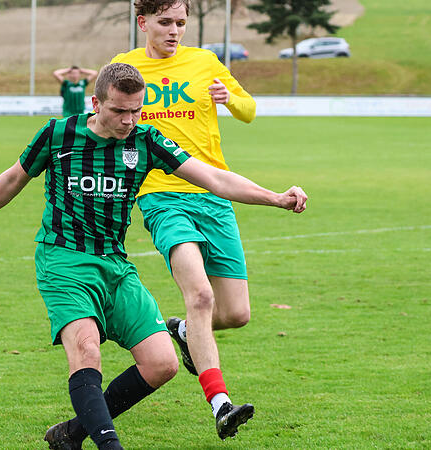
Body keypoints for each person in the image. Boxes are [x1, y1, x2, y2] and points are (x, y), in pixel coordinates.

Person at [0, 63, 307, 450]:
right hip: (64, 260)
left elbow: (214, 177)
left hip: (116, 265)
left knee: (163, 363)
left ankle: (71, 434)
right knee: (85, 349)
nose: (129, 120)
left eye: (136, 110)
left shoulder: (147, 141)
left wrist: (275, 197)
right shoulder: (58, 133)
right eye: (119, 111)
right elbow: (12, 179)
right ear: (96, 102)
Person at [109, 0, 259, 439]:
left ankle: (176, 330)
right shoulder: (124, 68)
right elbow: (104, 116)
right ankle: (221, 403)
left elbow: (250, 110)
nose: (174, 30)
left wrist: (229, 97)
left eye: (180, 22)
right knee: (200, 296)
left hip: (214, 193)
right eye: (165, 22)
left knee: (236, 313)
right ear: (143, 23)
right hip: (161, 195)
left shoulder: (205, 61)